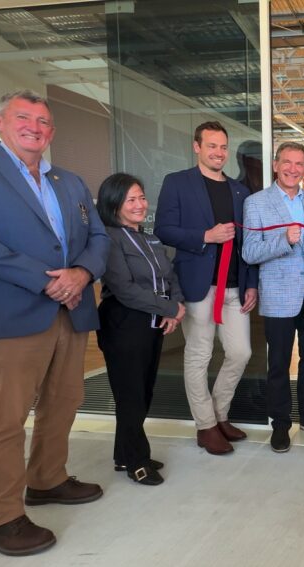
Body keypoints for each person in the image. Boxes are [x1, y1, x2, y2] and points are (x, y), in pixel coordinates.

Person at [0, 90, 109, 556]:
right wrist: (46, 281)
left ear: (52, 131)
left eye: (43, 121)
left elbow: (98, 237)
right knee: (4, 418)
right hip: (9, 312)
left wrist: (81, 274)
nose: (35, 127)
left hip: (71, 308)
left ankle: (47, 479)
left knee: (63, 402)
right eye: (24, 117)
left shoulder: (68, 180)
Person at [154, 121, 258, 456]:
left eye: (223, 147)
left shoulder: (240, 191)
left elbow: (247, 243)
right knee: (199, 355)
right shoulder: (177, 182)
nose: (219, 153)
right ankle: (205, 425)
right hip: (198, 285)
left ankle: (218, 413)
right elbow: (164, 229)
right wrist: (205, 236)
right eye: (211, 146)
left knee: (240, 353)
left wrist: (251, 284)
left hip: (234, 287)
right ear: (196, 146)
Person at [96, 173, 185, 486]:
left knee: (143, 390)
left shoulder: (149, 238)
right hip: (124, 324)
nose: (139, 205)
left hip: (152, 323)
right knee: (130, 394)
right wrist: (170, 309)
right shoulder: (108, 238)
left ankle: (124, 454)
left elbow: (170, 275)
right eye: (131, 200)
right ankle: (138, 461)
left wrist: (175, 305)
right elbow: (125, 289)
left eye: (142, 197)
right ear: (114, 204)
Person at [242, 142, 304, 453]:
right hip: (278, 296)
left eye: (300, 164)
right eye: (287, 163)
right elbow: (250, 251)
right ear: (276, 165)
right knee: (278, 364)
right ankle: (280, 424)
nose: (293, 169)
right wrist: (283, 240)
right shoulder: (256, 203)